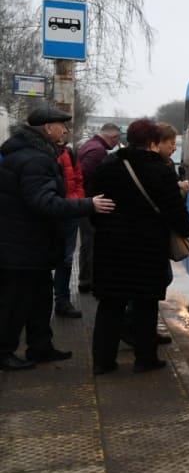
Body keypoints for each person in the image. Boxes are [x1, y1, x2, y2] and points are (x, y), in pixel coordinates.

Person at [0, 107, 115, 371]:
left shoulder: (29, 153)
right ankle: (4, 351)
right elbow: (44, 202)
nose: (65, 131)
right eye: (61, 125)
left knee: (40, 299)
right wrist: (87, 205)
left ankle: (40, 348)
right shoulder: (35, 160)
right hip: (21, 244)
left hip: (30, 243)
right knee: (15, 302)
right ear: (47, 128)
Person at [89, 118, 189, 375]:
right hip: (147, 249)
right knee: (145, 305)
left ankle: (103, 362)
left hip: (110, 248)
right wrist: (185, 229)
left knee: (110, 305)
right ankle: (145, 359)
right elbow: (175, 211)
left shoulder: (108, 165)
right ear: (152, 142)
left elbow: (93, 204)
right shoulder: (160, 170)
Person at [77, 123, 122, 293]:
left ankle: (85, 279)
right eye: (117, 141)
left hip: (85, 202)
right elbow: (85, 175)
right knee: (91, 243)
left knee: (86, 243)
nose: (116, 145)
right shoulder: (98, 152)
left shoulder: (89, 145)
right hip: (89, 203)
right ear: (113, 138)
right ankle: (89, 281)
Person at [54, 139, 87, 318]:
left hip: (69, 212)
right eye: (61, 126)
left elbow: (79, 178)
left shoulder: (70, 153)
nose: (65, 131)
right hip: (48, 211)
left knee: (66, 259)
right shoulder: (41, 153)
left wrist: (76, 200)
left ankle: (62, 301)